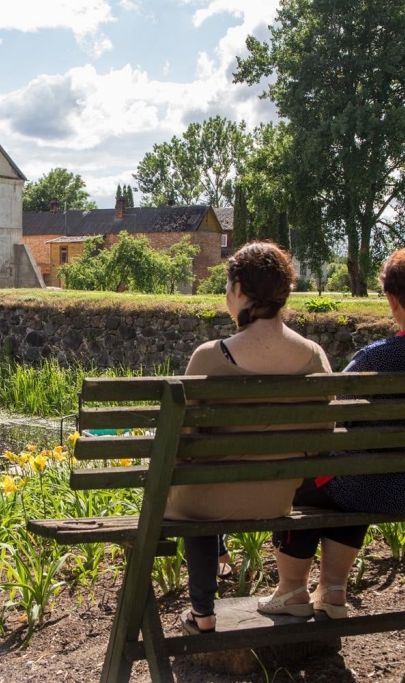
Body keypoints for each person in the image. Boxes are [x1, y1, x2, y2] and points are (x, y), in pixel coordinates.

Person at [259, 246, 405, 619]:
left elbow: (333, 412)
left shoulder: (378, 357)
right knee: (355, 474)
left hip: (381, 489)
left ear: (392, 300)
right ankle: (332, 590)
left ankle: (292, 589)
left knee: (302, 480)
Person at [165, 241, 333, 634]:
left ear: (239, 289)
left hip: (205, 503)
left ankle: (203, 612)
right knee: (206, 482)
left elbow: (184, 444)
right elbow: (319, 441)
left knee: (195, 488)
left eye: (228, 287)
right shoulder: (314, 357)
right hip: (276, 498)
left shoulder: (209, 357)